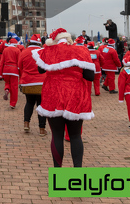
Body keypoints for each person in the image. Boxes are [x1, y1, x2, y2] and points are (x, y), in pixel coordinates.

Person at [32, 28, 95, 168]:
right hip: (75, 95)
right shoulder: (81, 50)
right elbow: (90, 76)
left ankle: (58, 172)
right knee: (75, 136)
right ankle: (77, 171)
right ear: (69, 38)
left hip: (53, 94)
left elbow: (41, 70)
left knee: (57, 136)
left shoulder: (48, 51)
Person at [19, 34, 47, 135]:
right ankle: (42, 129)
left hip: (28, 82)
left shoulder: (24, 52)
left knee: (29, 103)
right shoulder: (43, 52)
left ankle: (26, 123)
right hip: (41, 82)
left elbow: (20, 66)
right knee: (41, 105)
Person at [0, 38, 21, 109]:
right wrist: (20, 74)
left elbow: (1, 62)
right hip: (14, 70)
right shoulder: (17, 50)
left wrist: (0, 74)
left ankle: (7, 89)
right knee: (14, 87)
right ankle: (12, 103)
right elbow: (19, 62)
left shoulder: (5, 50)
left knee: (7, 82)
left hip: (6, 69)